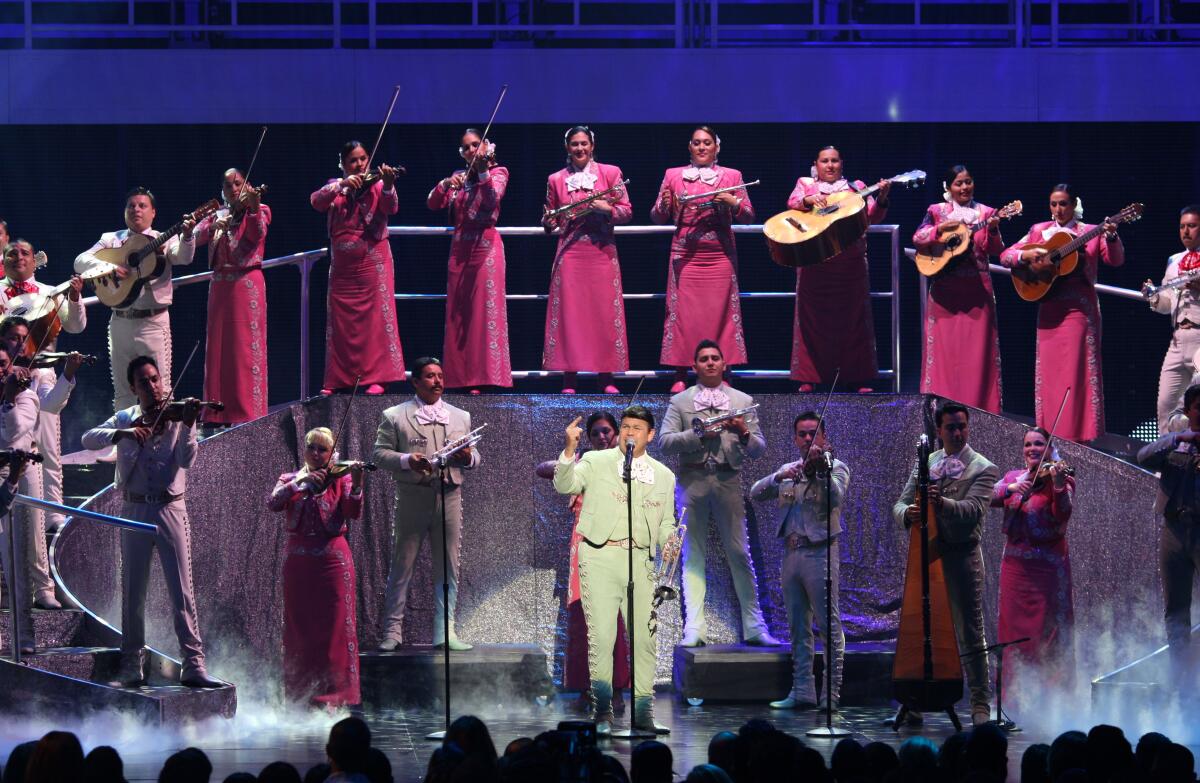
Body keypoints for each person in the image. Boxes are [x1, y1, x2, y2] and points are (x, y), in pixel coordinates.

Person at [80, 355, 222, 688]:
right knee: (134, 591)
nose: (152, 386)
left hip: (171, 509)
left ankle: (194, 664)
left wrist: (188, 424)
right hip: (135, 509)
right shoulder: (126, 418)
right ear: (133, 387)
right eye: (144, 381)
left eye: (155, 379)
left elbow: (187, 459)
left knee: (181, 592)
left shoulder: (177, 419)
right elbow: (88, 438)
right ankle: (132, 665)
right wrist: (124, 434)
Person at [553, 404, 677, 735]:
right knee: (602, 637)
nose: (629, 432)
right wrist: (569, 449)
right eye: (625, 426)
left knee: (646, 640)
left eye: (637, 428)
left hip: (641, 561)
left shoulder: (664, 475)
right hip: (599, 556)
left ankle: (643, 714)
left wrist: (670, 541)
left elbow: (666, 522)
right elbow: (565, 486)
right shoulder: (595, 461)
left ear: (650, 435)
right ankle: (603, 711)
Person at [659, 340, 776, 648]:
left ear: (724, 364)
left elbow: (759, 450)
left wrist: (743, 431)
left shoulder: (742, 399)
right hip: (692, 480)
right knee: (692, 555)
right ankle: (694, 628)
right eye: (703, 359)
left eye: (715, 358)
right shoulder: (680, 401)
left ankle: (754, 625)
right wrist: (696, 434)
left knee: (739, 553)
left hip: (728, 481)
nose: (710, 363)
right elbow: (665, 442)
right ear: (695, 366)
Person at [892, 401, 1000, 726]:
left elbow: (973, 511)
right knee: (924, 627)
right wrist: (907, 515)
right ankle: (916, 698)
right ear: (938, 431)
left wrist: (943, 502)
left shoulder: (983, 467)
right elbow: (900, 502)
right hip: (928, 555)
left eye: (961, 426)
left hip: (962, 556)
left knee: (970, 630)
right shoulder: (928, 461)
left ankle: (981, 701)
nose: (956, 432)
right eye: (950, 427)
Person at [1001, 184, 1125, 442]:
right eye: (1054, 204)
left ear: (1074, 204)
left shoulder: (1090, 231)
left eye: (1063, 204)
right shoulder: (1039, 231)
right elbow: (1005, 255)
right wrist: (1030, 254)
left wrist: (1111, 236)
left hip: (1080, 312)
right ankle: (1050, 434)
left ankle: (1080, 437)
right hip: (1049, 312)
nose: (1058, 209)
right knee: (1051, 375)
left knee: (1076, 374)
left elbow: (1115, 260)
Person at [374, 356, 479, 651]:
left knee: (448, 567)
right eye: (430, 376)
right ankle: (392, 632)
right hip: (413, 497)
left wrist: (467, 457)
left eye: (440, 375)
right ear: (416, 382)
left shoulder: (461, 416)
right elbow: (379, 454)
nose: (438, 381)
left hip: (449, 496)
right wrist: (407, 460)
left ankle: (445, 631)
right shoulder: (395, 415)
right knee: (402, 565)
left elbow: (474, 455)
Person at [534, 411, 629, 713]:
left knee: (612, 620)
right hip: (583, 547)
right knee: (583, 619)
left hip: (615, 545)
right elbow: (543, 469)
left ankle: (614, 690)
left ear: (617, 435)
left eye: (607, 432)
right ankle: (586, 688)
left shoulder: (626, 464)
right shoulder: (583, 465)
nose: (603, 438)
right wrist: (570, 452)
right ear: (589, 438)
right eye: (596, 434)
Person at [752, 411, 848, 710]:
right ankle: (803, 689)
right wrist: (778, 476)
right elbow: (756, 493)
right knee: (797, 625)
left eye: (813, 433)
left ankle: (830, 694)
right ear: (795, 438)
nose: (808, 438)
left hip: (820, 551)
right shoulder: (789, 468)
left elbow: (837, 496)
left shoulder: (836, 467)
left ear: (824, 437)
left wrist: (820, 472)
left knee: (827, 623)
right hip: (791, 553)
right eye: (802, 434)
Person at [650, 126, 753, 392]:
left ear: (716, 147)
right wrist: (663, 204)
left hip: (719, 255)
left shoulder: (732, 176)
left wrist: (732, 202)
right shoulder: (673, 176)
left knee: (723, 314)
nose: (702, 147)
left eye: (707, 143)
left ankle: (723, 371)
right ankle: (681, 372)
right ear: (690, 147)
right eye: (697, 143)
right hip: (684, 255)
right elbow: (657, 216)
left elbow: (749, 216)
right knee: (681, 315)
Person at [74, 187, 196, 412]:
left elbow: (183, 258)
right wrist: (110, 266)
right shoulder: (111, 239)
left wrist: (188, 235)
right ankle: (126, 443)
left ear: (153, 213)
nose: (136, 210)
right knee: (123, 391)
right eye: (131, 205)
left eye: (142, 206)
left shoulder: (164, 239)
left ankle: (163, 443)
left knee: (161, 388)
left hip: (153, 322)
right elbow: (80, 261)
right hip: (119, 321)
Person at [268, 426, 365, 707]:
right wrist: (301, 482)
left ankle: (337, 695)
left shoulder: (342, 478)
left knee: (336, 628)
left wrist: (357, 484)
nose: (317, 454)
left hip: (332, 561)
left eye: (324, 449)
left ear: (332, 453)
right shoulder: (290, 478)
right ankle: (300, 693)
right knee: (299, 628)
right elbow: (272, 502)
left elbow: (352, 512)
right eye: (312, 447)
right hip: (298, 564)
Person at [786, 146, 890, 393]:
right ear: (816, 164)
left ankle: (858, 377)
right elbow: (791, 203)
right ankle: (809, 377)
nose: (830, 165)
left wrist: (883, 197)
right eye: (825, 161)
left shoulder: (856, 187)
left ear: (841, 164)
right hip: (814, 264)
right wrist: (808, 200)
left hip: (850, 266)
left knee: (854, 321)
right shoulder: (805, 183)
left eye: (834, 161)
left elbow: (872, 217)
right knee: (812, 321)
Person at [1, 240, 86, 538]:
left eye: (25, 253)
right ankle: (10, 504)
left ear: (34, 261)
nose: (19, 258)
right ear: (4, 259)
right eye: (12, 253)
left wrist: (74, 298)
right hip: (7, 378)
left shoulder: (52, 292)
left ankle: (53, 513)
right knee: (10, 443)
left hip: (44, 375)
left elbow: (75, 326)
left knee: (49, 448)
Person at [0, 315, 84, 611]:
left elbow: (51, 404)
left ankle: (42, 588)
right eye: (12, 337)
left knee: (35, 527)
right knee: (5, 534)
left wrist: (68, 375)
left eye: (23, 338)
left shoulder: (38, 373)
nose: (19, 343)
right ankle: (11, 592)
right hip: (1, 462)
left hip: (28, 459)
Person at [541, 126, 631, 395]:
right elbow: (550, 223)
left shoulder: (611, 173)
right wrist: (547, 221)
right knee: (570, 316)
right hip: (570, 254)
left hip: (602, 253)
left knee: (603, 314)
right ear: (567, 148)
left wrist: (606, 209)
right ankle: (570, 379)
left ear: (592, 146)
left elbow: (626, 211)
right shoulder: (556, 179)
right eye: (574, 144)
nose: (579, 148)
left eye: (584, 144)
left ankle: (606, 377)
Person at [310, 141, 405, 396]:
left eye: (363, 159)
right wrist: (342, 184)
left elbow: (391, 207)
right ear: (343, 164)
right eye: (353, 160)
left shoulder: (376, 184)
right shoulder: (336, 187)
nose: (360, 164)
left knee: (375, 321)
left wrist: (387, 184)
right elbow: (316, 201)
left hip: (373, 262)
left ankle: (378, 378)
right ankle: (339, 379)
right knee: (341, 324)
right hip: (342, 268)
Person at [990, 427, 1076, 705]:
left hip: (1048, 569)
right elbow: (988, 497)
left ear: (1050, 449)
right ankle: (1014, 699)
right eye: (1028, 444)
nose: (1033, 448)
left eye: (1039, 443)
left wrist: (1060, 483)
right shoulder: (1014, 477)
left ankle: (1052, 699)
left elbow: (1062, 512)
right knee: (1015, 635)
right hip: (1016, 569)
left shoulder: (1060, 477)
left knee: (1050, 633)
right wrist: (1014, 486)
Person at [911, 165, 1005, 413]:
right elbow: (918, 238)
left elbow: (993, 248)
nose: (964, 187)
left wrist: (992, 229)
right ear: (948, 187)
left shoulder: (986, 212)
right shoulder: (936, 211)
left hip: (977, 293)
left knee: (978, 359)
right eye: (958, 183)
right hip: (945, 295)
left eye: (968, 182)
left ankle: (981, 414)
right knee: (945, 357)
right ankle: (939, 412)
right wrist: (939, 229)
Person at [427, 129, 512, 392]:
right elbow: (433, 204)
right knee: (460, 315)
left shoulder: (498, 172)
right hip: (460, 250)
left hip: (486, 248)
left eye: (476, 145)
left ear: (485, 147)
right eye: (466, 147)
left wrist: (484, 171)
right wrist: (444, 184)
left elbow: (491, 200)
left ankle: (484, 377)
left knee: (484, 313)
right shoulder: (460, 177)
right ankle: (461, 378)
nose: (471, 150)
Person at [193, 168, 271, 426]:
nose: (234, 189)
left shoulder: (259, 210)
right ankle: (216, 412)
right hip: (219, 287)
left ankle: (249, 411)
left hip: (245, 284)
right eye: (228, 185)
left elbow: (257, 233)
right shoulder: (218, 214)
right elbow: (195, 237)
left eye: (238, 183)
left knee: (245, 349)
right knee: (218, 350)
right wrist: (213, 225)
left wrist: (254, 206)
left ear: (247, 185)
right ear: (223, 191)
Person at [1137, 383, 1200, 689]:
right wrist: (1178, 438)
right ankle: (1181, 681)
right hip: (1174, 529)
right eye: (1199, 406)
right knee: (1176, 608)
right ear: (1188, 411)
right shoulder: (1177, 441)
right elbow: (1142, 456)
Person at [1146, 205, 1200, 434]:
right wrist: (1154, 296)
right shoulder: (1174, 261)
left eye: (1192, 226)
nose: (1186, 231)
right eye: (1182, 226)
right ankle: (1165, 463)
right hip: (1177, 340)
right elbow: (1167, 304)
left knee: (1197, 404)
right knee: (1166, 404)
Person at [0, 344, 38, 652]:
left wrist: (9, 397)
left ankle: (24, 636)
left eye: (3, 364)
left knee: (16, 565)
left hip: (14, 483)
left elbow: (12, 435)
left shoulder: (27, 396)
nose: (0, 370)